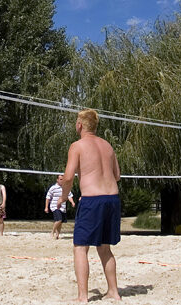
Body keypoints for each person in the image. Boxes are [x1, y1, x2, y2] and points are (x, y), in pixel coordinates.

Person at [59, 109, 121, 302]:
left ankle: (83, 296)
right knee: (105, 248)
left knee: (80, 247)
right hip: (112, 199)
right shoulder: (107, 146)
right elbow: (117, 176)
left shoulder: (77, 146)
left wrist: (63, 196)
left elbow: (68, 177)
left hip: (92, 200)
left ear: (80, 125)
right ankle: (114, 292)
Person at [45, 174, 75, 239]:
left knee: (60, 222)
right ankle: (52, 232)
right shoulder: (53, 188)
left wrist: (72, 202)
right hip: (54, 206)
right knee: (59, 219)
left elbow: (69, 195)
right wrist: (46, 207)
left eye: (63, 179)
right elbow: (48, 197)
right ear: (57, 180)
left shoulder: (66, 187)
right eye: (61, 179)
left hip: (63, 207)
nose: (62, 181)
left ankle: (57, 235)